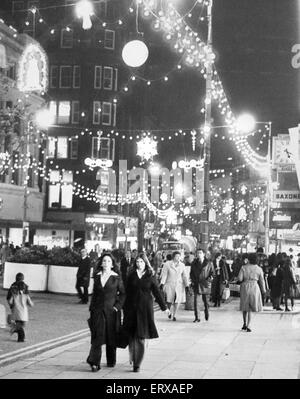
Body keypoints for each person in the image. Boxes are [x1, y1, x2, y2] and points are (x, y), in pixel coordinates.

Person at [123, 253, 169, 372]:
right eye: (137, 262)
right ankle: (133, 355)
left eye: (141, 262)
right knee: (132, 336)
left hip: (145, 310)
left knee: (140, 336)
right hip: (131, 309)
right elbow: (125, 292)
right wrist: (121, 307)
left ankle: (137, 363)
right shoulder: (131, 275)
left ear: (146, 263)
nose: (139, 264)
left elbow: (157, 293)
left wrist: (164, 307)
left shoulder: (150, 276)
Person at [86, 253, 125, 372]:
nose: (106, 263)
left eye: (108, 261)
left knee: (111, 336)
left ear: (112, 264)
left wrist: (117, 307)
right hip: (97, 310)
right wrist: (92, 309)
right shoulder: (97, 277)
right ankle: (94, 362)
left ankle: (111, 360)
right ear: (101, 263)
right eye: (104, 261)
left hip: (111, 311)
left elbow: (123, 294)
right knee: (97, 336)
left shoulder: (116, 277)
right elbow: (94, 294)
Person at [238, 252, 266, 332]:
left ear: (249, 259)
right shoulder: (259, 269)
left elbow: (240, 279)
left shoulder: (243, 267)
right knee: (250, 307)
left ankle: (244, 323)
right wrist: (263, 290)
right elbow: (262, 281)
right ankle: (249, 325)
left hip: (245, 287)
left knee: (244, 306)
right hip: (254, 287)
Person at [160, 251, 189, 321]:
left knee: (177, 301)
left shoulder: (182, 265)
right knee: (169, 301)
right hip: (169, 284)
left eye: (179, 256)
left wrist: (187, 285)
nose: (178, 258)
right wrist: (162, 283)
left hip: (179, 285)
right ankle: (169, 312)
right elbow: (164, 274)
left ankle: (174, 315)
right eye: (177, 256)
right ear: (173, 257)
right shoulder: (167, 264)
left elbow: (184, 276)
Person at [6, 273, 34, 342]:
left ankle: (20, 337)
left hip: (15, 309)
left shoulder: (13, 287)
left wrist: (12, 306)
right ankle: (16, 331)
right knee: (21, 324)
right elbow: (30, 303)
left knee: (19, 323)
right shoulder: (25, 291)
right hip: (23, 311)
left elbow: (9, 299)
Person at [190, 249, 214, 322]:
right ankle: (197, 317)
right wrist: (193, 281)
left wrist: (209, 279)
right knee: (196, 302)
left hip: (205, 284)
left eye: (200, 253)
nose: (199, 254)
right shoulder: (194, 263)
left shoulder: (209, 263)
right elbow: (191, 273)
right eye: (197, 253)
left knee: (206, 302)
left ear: (204, 254)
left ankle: (206, 312)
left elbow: (212, 273)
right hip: (197, 284)